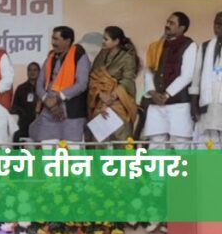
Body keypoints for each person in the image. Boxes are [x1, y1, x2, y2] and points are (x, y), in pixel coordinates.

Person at [142, 12, 197, 150]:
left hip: (179, 104)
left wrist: (167, 94)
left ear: (182, 28)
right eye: (167, 22)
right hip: (156, 103)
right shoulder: (156, 46)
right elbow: (148, 70)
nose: (167, 25)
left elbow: (187, 75)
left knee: (180, 144)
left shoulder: (189, 45)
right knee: (156, 144)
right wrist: (153, 92)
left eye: (172, 23)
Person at [29, 26, 91, 147]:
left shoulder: (79, 56)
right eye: (52, 38)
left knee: (73, 152)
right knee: (47, 150)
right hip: (49, 111)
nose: (53, 42)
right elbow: (39, 85)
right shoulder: (51, 57)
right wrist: (48, 101)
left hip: (71, 112)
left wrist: (58, 98)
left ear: (67, 41)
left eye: (56, 39)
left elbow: (81, 84)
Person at [87, 26, 140, 143]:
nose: (103, 41)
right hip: (101, 102)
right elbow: (93, 77)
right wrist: (100, 95)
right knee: (98, 143)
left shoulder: (127, 57)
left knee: (122, 143)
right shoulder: (101, 56)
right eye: (103, 38)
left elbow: (127, 80)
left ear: (116, 41)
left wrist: (112, 97)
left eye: (106, 39)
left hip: (119, 103)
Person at [193, 11, 222, 147]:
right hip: (208, 103)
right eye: (216, 24)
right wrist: (194, 104)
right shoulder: (205, 47)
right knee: (208, 142)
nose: (218, 27)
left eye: (221, 24)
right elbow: (196, 77)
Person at [11, 62, 40, 143]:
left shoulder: (43, 88)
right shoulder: (21, 88)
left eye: (35, 70)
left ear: (39, 72)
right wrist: (22, 112)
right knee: (16, 137)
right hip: (24, 122)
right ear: (27, 72)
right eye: (30, 70)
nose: (32, 72)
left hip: (39, 122)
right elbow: (14, 106)